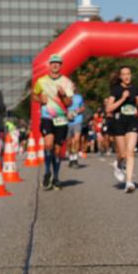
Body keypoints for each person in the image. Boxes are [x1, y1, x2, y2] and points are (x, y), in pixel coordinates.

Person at [33, 54, 74, 190]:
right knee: (48, 143)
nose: (55, 65)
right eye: (53, 63)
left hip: (61, 118)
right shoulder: (41, 81)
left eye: (58, 63)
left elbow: (69, 103)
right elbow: (34, 95)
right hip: (47, 117)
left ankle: (56, 177)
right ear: (49, 65)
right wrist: (40, 100)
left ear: (61, 66)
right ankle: (47, 172)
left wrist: (63, 95)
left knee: (57, 151)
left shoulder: (66, 82)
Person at [104, 66, 138, 192]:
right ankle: (118, 164)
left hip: (132, 121)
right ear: (120, 76)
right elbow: (108, 109)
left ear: (131, 75)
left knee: (130, 152)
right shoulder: (116, 90)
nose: (127, 76)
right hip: (119, 122)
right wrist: (122, 98)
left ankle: (129, 182)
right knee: (122, 154)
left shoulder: (136, 88)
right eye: (124, 74)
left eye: (128, 74)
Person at [67, 90, 86, 168]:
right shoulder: (65, 97)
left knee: (77, 139)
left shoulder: (79, 97)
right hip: (67, 122)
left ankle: (75, 158)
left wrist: (79, 110)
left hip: (77, 120)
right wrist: (67, 114)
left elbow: (83, 108)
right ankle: (70, 158)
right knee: (69, 142)